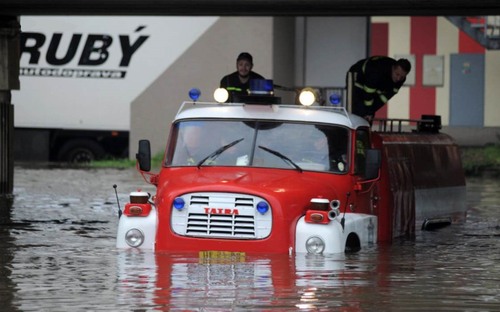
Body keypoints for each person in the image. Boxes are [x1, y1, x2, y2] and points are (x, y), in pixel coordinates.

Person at [346, 56, 411, 124]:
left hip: (374, 85)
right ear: (393, 68)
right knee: (355, 108)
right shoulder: (378, 70)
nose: (398, 79)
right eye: (397, 74)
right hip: (357, 75)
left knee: (369, 115)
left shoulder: (401, 80)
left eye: (402, 77)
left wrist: (370, 113)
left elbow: (383, 99)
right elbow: (368, 93)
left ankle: (365, 131)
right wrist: (368, 111)